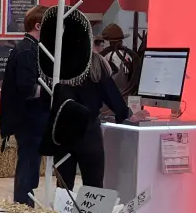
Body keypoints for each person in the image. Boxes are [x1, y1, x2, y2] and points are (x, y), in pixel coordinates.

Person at [56, 53, 141, 190]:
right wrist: (125, 113)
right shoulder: (94, 62)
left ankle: (62, 211)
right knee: (93, 186)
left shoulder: (60, 59)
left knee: (64, 186)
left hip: (63, 131)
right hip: (88, 131)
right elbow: (109, 92)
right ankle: (90, 212)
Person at [0, 5, 49, 207]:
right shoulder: (27, 51)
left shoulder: (30, 49)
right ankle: (23, 209)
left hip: (31, 120)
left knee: (30, 166)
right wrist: (53, 90)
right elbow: (28, 89)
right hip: (29, 120)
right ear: (38, 25)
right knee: (28, 167)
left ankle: (25, 206)